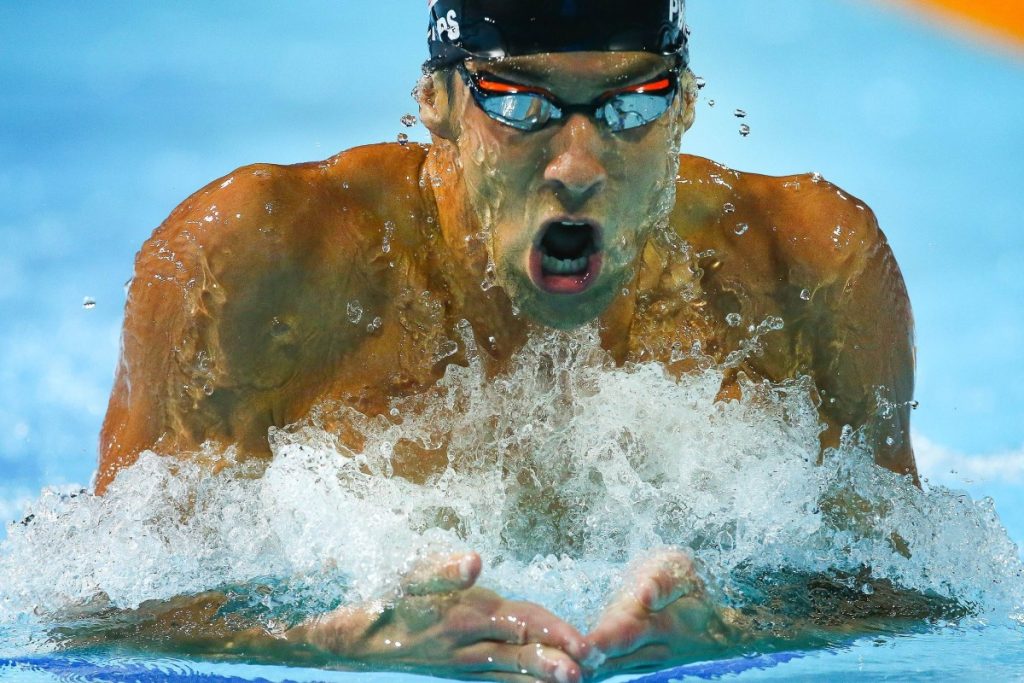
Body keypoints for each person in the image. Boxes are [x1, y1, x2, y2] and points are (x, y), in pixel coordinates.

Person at [93, 1, 918, 680]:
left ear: (688, 106)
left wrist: (743, 627)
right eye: (521, 105)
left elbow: (917, 591)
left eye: (633, 106)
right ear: (438, 104)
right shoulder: (257, 266)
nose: (577, 164)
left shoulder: (810, 267)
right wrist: (326, 640)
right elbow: (100, 612)